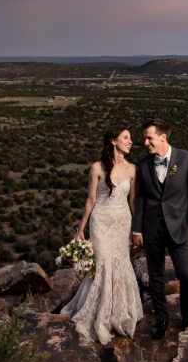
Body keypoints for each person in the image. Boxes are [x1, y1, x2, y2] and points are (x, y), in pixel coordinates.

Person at [60, 125, 144, 344]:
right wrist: (80, 230)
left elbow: (134, 203)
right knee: (103, 263)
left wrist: (137, 230)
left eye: (131, 138)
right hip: (100, 222)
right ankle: (99, 314)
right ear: (113, 141)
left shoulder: (133, 169)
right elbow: (91, 200)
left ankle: (119, 312)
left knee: (121, 263)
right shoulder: (96, 168)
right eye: (126, 137)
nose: (131, 141)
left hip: (122, 223)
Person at [131, 118, 188, 340]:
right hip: (152, 229)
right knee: (155, 276)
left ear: (163, 137)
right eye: (145, 137)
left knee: (186, 275)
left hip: (180, 229)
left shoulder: (187, 159)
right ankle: (161, 319)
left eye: (149, 137)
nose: (145, 142)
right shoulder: (144, 164)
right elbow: (141, 199)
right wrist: (137, 230)